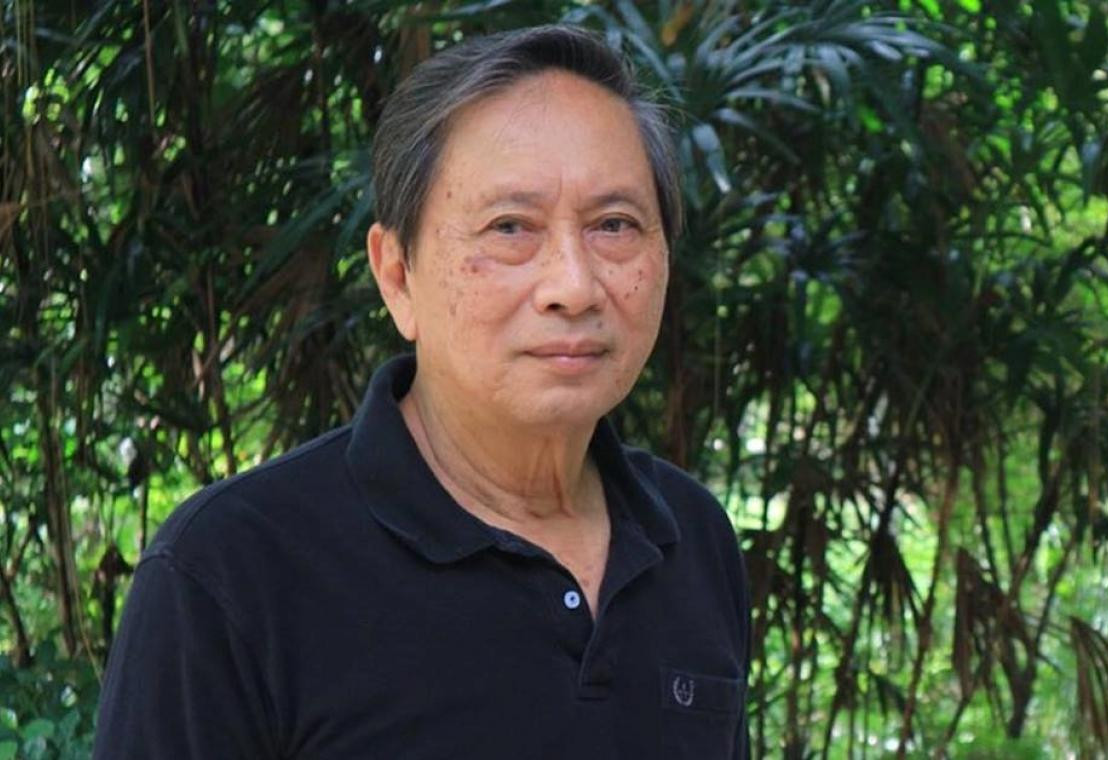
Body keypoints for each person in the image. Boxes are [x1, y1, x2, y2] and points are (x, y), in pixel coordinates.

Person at [93, 24, 750, 759]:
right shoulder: (233, 569)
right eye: (510, 227)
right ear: (397, 275)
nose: (573, 284)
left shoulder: (692, 539)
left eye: (614, 225)